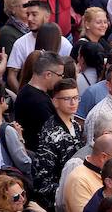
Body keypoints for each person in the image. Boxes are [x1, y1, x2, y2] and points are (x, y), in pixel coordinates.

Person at [34, 77, 85, 210]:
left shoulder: (75, 125)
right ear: (55, 102)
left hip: (77, 186)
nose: (73, 102)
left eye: (76, 97)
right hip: (59, 199)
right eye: (67, 99)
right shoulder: (51, 134)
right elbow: (43, 180)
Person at [12, 50, 64, 151]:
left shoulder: (26, 90)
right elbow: (54, 136)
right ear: (48, 74)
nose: (61, 79)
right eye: (60, 75)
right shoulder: (38, 102)